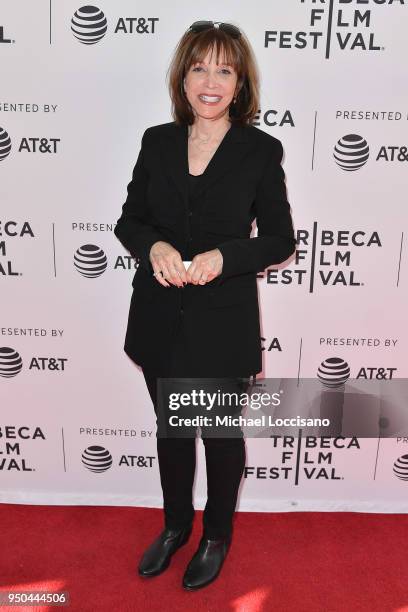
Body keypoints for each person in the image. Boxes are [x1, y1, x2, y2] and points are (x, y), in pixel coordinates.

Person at [114, 20, 296, 591]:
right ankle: (174, 527)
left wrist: (227, 255)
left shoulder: (261, 151)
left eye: (224, 69)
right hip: (159, 315)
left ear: (240, 83)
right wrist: (156, 245)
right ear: (183, 77)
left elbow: (279, 238)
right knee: (172, 429)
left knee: (218, 436)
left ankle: (216, 534)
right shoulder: (156, 141)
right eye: (199, 67)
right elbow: (130, 220)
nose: (210, 81)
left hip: (222, 322)